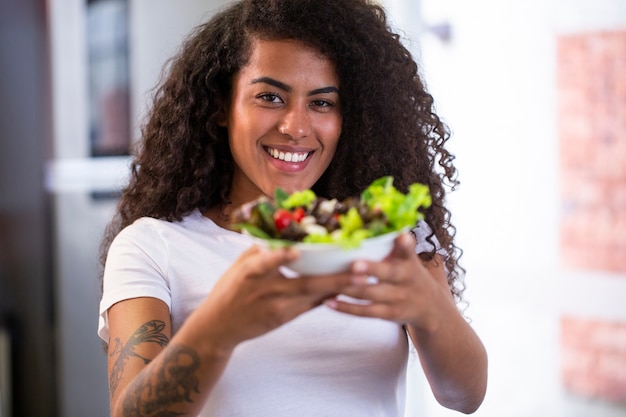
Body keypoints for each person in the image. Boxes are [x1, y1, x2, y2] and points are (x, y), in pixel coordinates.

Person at [97, 0, 488, 416]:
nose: (296, 128)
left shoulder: (387, 236)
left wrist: (429, 309)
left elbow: (464, 397)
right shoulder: (153, 246)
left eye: (322, 103)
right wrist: (220, 326)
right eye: (270, 97)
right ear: (220, 107)